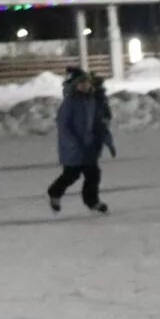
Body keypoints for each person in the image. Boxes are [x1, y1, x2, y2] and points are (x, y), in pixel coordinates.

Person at [47, 67, 110, 214]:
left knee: (93, 174)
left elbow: (98, 122)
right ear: (74, 86)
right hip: (74, 148)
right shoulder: (70, 103)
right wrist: (75, 143)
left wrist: (104, 138)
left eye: (87, 83)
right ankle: (54, 192)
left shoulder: (91, 101)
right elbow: (64, 126)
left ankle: (92, 201)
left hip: (89, 145)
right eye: (81, 83)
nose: (85, 86)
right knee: (71, 174)